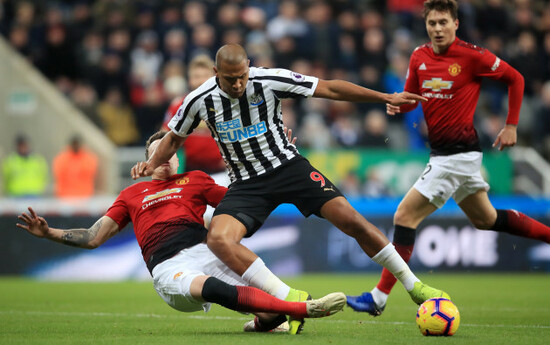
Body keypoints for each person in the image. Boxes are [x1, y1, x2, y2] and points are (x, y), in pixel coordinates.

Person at [131, 43, 450, 334]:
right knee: (217, 238)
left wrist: (385, 97)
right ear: (217, 74)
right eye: (230, 80)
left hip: (288, 168)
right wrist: (151, 162)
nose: (238, 85)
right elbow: (173, 138)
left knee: (351, 220)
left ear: (249, 67)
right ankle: (288, 298)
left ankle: (414, 286)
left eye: (242, 77)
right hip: (247, 183)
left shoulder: (268, 80)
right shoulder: (199, 100)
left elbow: (329, 89)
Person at [16, 130, 345, 333]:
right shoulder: (131, 195)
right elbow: (93, 237)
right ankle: (302, 308)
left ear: (176, 157)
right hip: (168, 266)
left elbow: (246, 199)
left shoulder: (196, 180)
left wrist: (273, 163)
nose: (164, 158)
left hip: (205, 250)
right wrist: (50, 233)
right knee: (213, 287)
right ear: (146, 161)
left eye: (169, 152)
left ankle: (266, 321)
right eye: (157, 153)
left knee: (263, 306)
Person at [347, 0, 550, 316]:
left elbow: (516, 79)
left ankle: (378, 297)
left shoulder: (472, 56)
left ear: (456, 23)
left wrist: (511, 124)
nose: (438, 29)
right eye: (432, 23)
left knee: (403, 217)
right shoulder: (418, 57)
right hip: (452, 154)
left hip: (454, 156)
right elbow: (412, 101)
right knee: (486, 219)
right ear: (426, 25)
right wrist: (399, 106)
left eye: (443, 22)